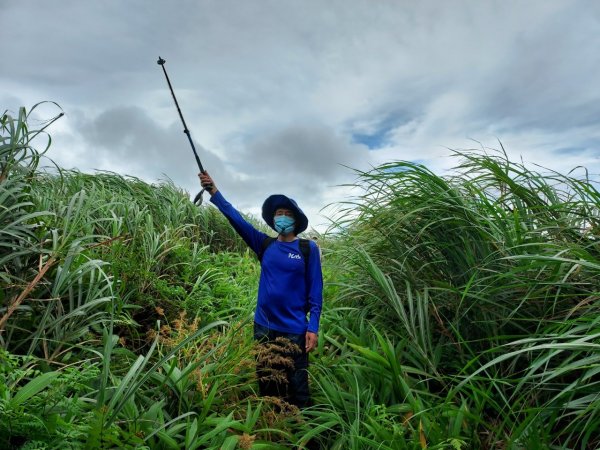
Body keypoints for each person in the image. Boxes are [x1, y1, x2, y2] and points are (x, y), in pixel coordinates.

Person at [199, 172, 323, 408]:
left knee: (297, 387)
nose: (283, 218)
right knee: (267, 381)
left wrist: (313, 327)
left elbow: (316, 290)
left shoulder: (308, 249)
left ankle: (304, 435)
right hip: (263, 327)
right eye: (279, 214)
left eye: (288, 214)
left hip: (294, 329)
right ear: (273, 219)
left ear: (296, 220)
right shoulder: (264, 244)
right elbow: (236, 219)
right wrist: (214, 191)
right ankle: (273, 425)